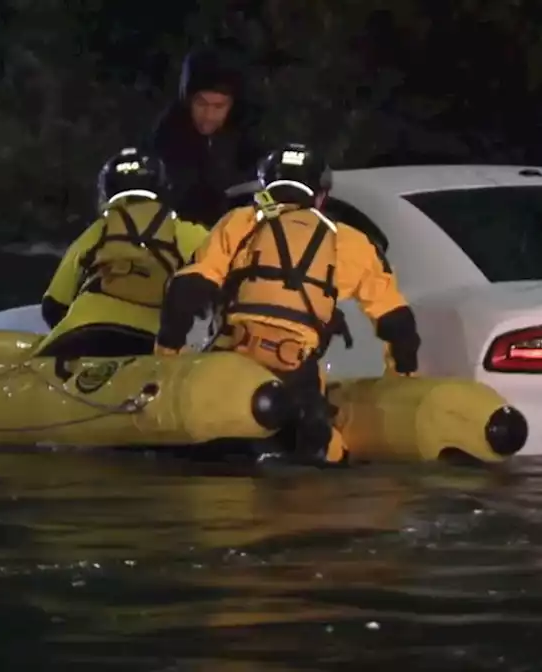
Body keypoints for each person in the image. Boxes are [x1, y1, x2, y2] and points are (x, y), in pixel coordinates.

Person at [153, 142, 421, 464]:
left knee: (205, 453)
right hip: (296, 370)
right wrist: (402, 379)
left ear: (268, 187)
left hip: (231, 362)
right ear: (320, 196)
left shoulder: (241, 222)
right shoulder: (349, 241)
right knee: (326, 455)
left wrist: (167, 358)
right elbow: (398, 323)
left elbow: (186, 289)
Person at [35, 147, 210, 358]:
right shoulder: (186, 232)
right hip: (153, 338)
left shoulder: (99, 230)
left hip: (85, 330)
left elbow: (53, 303)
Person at [148, 46, 263, 229]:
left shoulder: (250, 133)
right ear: (188, 100)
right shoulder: (167, 134)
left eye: (219, 106)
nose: (208, 115)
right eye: (201, 103)